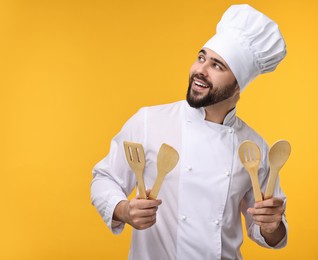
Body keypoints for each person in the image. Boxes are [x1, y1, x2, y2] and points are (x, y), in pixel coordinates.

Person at [91, 4, 288, 260]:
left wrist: (273, 225)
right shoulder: (149, 121)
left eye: (217, 66)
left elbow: (267, 232)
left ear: (238, 86)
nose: (200, 71)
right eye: (201, 57)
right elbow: (103, 178)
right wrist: (124, 210)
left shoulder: (254, 147)